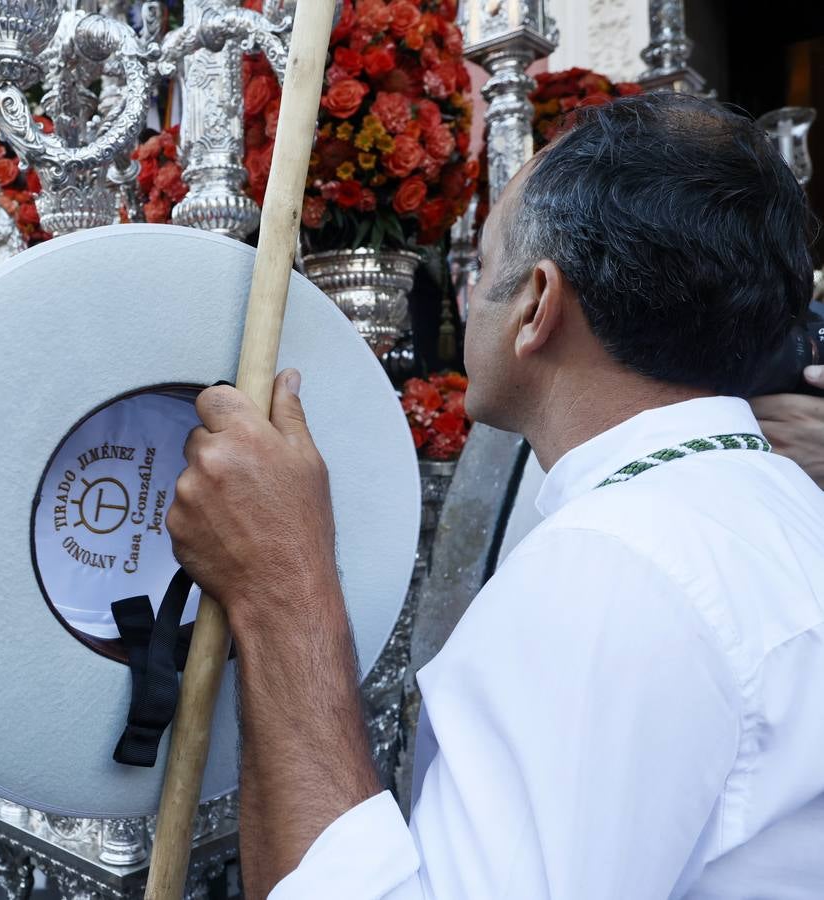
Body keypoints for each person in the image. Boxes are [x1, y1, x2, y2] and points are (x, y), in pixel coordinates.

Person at [167, 92, 824, 899]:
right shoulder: (774, 507)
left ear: (537, 305)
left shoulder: (616, 571)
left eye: (481, 267)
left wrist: (281, 588)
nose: (466, 297)